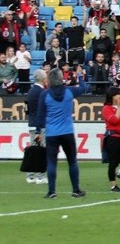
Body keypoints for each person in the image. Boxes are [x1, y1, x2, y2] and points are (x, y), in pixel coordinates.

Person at [34, 67, 88, 199]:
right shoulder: (69, 91)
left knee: (52, 162)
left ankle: (52, 191)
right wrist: (80, 75)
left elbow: (40, 115)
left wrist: (38, 131)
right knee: (72, 161)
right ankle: (76, 190)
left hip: (52, 133)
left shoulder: (45, 94)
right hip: (67, 131)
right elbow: (83, 88)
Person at [25, 69, 48, 184]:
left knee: (34, 150)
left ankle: (30, 175)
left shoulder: (30, 91)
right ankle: (40, 176)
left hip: (32, 123)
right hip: (40, 125)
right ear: (43, 79)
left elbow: (27, 109)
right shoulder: (42, 92)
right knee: (41, 150)